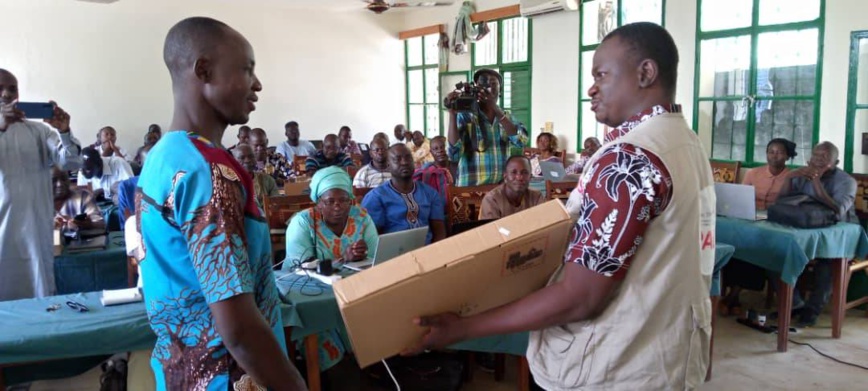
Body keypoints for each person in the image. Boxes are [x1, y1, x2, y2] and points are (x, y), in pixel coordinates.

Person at [406, 23, 715, 389]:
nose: (592, 88)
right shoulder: (686, 142)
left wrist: (462, 328)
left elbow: (580, 297)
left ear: (645, 73)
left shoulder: (628, 158)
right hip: (667, 355)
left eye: (601, 75)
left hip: (615, 365)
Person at [137, 16, 305, 389]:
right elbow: (239, 329)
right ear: (204, 71)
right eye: (246, 69)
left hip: (180, 373)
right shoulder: (209, 172)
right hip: (226, 378)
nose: (257, 84)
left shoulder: (163, 157)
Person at [0, 68, 82, 301]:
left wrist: (64, 131)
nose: (6, 94)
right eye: (0, 89)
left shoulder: (39, 130)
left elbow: (70, 162)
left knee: (38, 292)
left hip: (34, 229)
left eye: (12, 89)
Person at [775, 141, 857, 328]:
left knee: (827, 263)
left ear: (835, 162)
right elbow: (781, 201)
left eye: (824, 157)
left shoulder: (847, 181)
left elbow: (838, 210)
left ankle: (811, 311)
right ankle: (795, 304)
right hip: (808, 228)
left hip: (841, 234)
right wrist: (789, 178)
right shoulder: (802, 174)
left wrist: (816, 182)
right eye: (815, 155)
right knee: (777, 253)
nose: (818, 160)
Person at [445, 68, 528, 186]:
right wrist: (452, 114)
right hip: (470, 189)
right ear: (475, 89)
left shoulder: (507, 117)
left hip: (500, 189)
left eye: (493, 84)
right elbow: (454, 154)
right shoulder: (465, 116)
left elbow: (522, 140)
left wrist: (495, 108)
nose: (488, 88)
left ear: (500, 90)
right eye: (483, 84)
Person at [362, 144, 447, 244]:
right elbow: (371, 238)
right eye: (397, 159)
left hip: (427, 250)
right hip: (392, 251)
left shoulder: (430, 193)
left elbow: (439, 233)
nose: (404, 162)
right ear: (388, 165)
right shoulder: (376, 197)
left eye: (408, 158)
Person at [743, 138, 797, 210]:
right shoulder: (752, 173)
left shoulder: (793, 177)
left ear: (787, 157)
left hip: (778, 214)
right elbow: (742, 197)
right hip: (752, 212)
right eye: (771, 152)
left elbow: (792, 203)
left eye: (779, 153)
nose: (774, 156)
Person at [53, 166, 105, 231]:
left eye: (63, 178)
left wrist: (90, 224)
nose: (59, 184)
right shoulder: (41, 206)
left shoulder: (83, 197)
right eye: (54, 180)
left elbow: (101, 224)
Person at [232, 143, 279, 208]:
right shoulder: (230, 183)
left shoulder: (268, 180)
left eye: (251, 156)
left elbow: (276, 205)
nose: (247, 160)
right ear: (234, 161)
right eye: (242, 158)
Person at [413, 136, 454, 203]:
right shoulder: (428, 172)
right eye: (435, 149)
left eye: (443, 147)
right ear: (431, 152)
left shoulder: (455, 166)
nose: (440, 150)